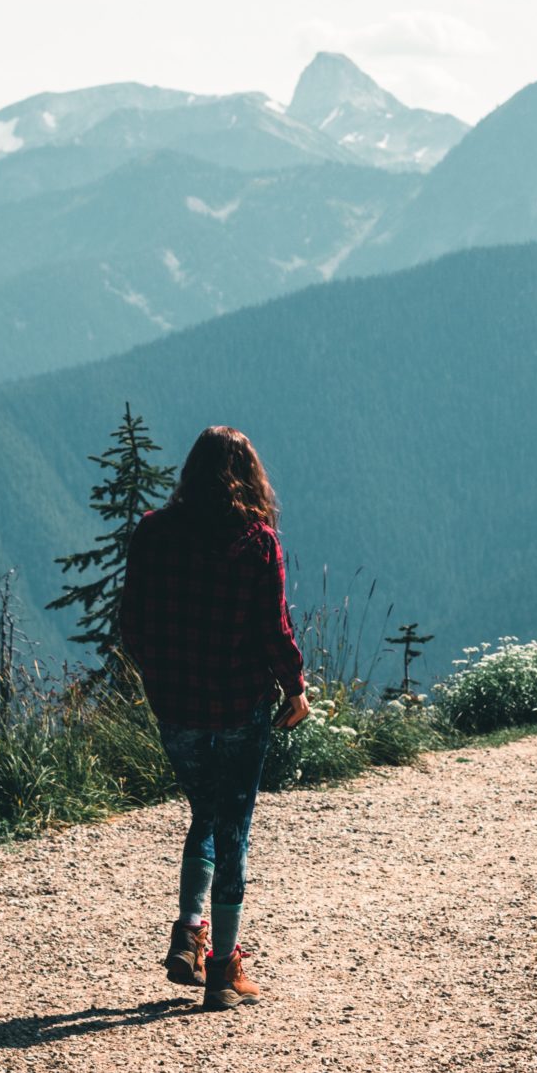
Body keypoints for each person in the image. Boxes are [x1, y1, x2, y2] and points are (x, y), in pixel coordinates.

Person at [118, 425, 310, 1010]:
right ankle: (223, 969)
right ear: (249, 475)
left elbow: (131, 624)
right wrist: (295, 688)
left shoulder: (152, 533)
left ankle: (188, 932)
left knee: (204, 811)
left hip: (176, 707)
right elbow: (273, 629)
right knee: (233, 829)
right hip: (239, 706)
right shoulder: (257, 541)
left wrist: (158, 676)